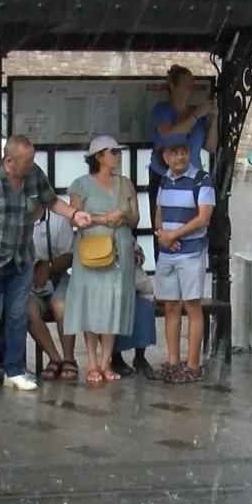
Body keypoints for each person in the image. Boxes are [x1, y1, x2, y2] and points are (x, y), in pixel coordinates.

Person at [0, 134, 92, 396]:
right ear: (9, 161)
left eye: (33, 158)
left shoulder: (34, 174)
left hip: (22, 259)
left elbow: (52, 201)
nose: (32, 163)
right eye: (27, 160)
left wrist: (74, 214)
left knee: (16, 317)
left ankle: (14, 371)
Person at [63, 135, 139, 384]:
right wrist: (103, 219)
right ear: (99, 156)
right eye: (113, 152)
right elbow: (73, 217)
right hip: (91, 249)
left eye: (118, 152)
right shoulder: (81, 184)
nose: (117, 156)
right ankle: (92, 362)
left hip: (120, 249)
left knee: (113, 302)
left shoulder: (125, 184)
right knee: (91, 302)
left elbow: (135, 218)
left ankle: (106, 361)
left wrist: (123, 218)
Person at [152, 133, 216, 383]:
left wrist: (173, 234)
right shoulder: (164, 182)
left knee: (192, 305)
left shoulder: (202, 180)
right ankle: (172, 362)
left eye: (184, 151)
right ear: (165, 156)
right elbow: (158, 212)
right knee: (170, 305)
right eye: (174, 152)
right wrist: (160, 234)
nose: (180, 156)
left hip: (191, 251)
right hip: (168, 252)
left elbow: (204, 218)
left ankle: (192, 365)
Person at [148, 65, 217, 262]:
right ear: (173, 86)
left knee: (193, 222)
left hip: (192, 178)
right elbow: (170, 135)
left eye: (192, 86)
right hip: (164, 176)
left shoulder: (198, 113)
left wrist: (212, 120)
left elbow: (211, 147)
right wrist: (196, 116)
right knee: (165, 222)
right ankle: (165, 257)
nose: (190, 91)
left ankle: (192, 259)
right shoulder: (162, 110)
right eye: (186, 86)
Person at [30, 202, 79, 381]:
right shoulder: (17, 220)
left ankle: (69, 358)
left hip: (60, 276)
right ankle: (54, 358)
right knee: (27, 310)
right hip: (30, 281)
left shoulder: (58, 219)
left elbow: (70, 254)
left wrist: (49, 267)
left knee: (60, 306)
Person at [113, 244, 157, 373]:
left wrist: (134, 259)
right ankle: (115, 357)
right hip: (111, 289)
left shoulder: (125, 235)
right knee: (113, 311)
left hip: (136, 288)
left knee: (145, 307)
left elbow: (140, 255)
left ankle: (140, 356)